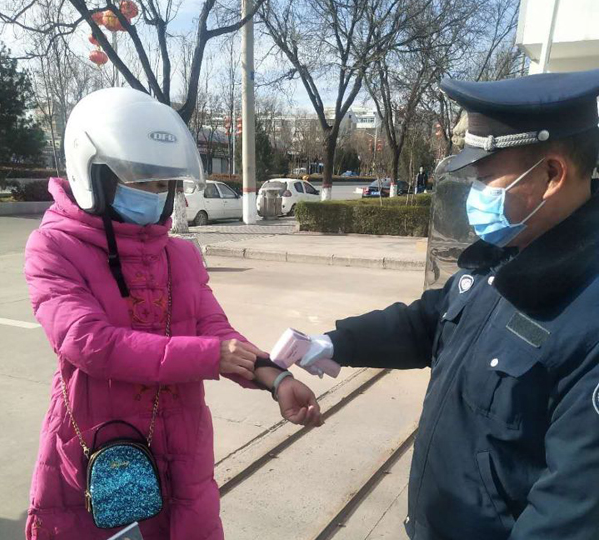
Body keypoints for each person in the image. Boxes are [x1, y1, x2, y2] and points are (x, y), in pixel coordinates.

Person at [294, 69, 599, 539]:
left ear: (552, 175)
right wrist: (333, 343)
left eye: (487, 178)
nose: (478, 194)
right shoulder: (505, 256)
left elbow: (568, 513)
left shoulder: (587, 314)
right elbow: (427, 322)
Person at [24, 88, 322, 540]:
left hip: (184, 448)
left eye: (163, 184)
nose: (154, 194)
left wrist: (276, 379)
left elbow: (216, 331)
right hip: (103, 451)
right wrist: (207, 356)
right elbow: (89, 342)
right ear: (92, 174)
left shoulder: (179, 254)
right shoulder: (53, 247)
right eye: (140, 181)